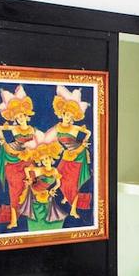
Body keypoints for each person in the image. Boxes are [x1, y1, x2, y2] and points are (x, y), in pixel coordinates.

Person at [0, 85, 42, 229]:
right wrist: (3, 140)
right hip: (13, 163)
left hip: (28, 162)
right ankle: (14, 220)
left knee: (32, 188)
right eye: (17, 117)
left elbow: (38, 145)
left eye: (22, 115)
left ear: (26, 115)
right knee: (14, 192)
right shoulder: (14, 129)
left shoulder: (33, 130)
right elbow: (0, 128)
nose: (20, 119)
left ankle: (32, 216)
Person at [47, 85, 92, 219]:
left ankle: (73, 209)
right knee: (60, 177)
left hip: (78, 155)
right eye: (67, 115)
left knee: (73, 184)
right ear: (62, 114)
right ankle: (67, 196)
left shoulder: (75, 128)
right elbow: (54, 139)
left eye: (71, 116)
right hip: (67, 155)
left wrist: (84, 143)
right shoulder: (57, 127)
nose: (68, 118)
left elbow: (88, 132)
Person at [17, 143, 68, 231]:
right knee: (37, 216)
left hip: (46, 195)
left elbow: (58, 184)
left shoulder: (54, 171)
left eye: (46, 158)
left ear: (51, 158)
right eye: (43, 160)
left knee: (49, 215)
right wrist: (28, 178)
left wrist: (53, 189)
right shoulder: (40, 170)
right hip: (35, 195)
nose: (45, 161)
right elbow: (27, 169)